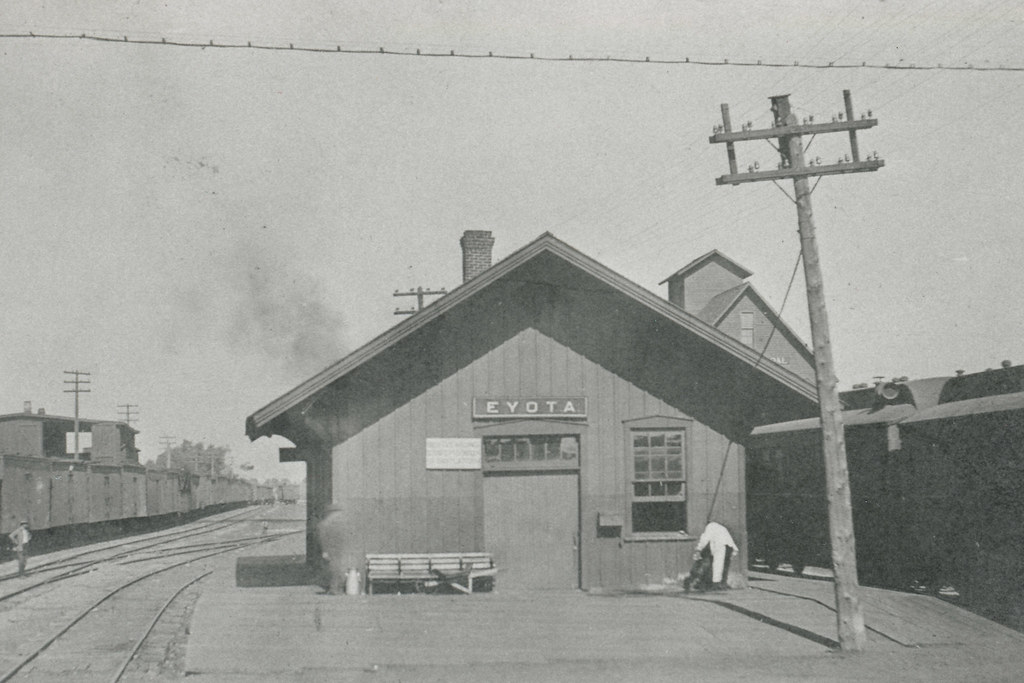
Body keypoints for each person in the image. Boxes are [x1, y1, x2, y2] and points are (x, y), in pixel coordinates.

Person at [692, 521, 739, 590]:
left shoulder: (710, 527)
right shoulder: (721, 527)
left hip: (720, 546)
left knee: (717, 564)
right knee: (724, 566)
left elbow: (705, 539)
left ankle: (715, 584)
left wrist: (699, 549)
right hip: (729, 546)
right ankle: (722, 583)